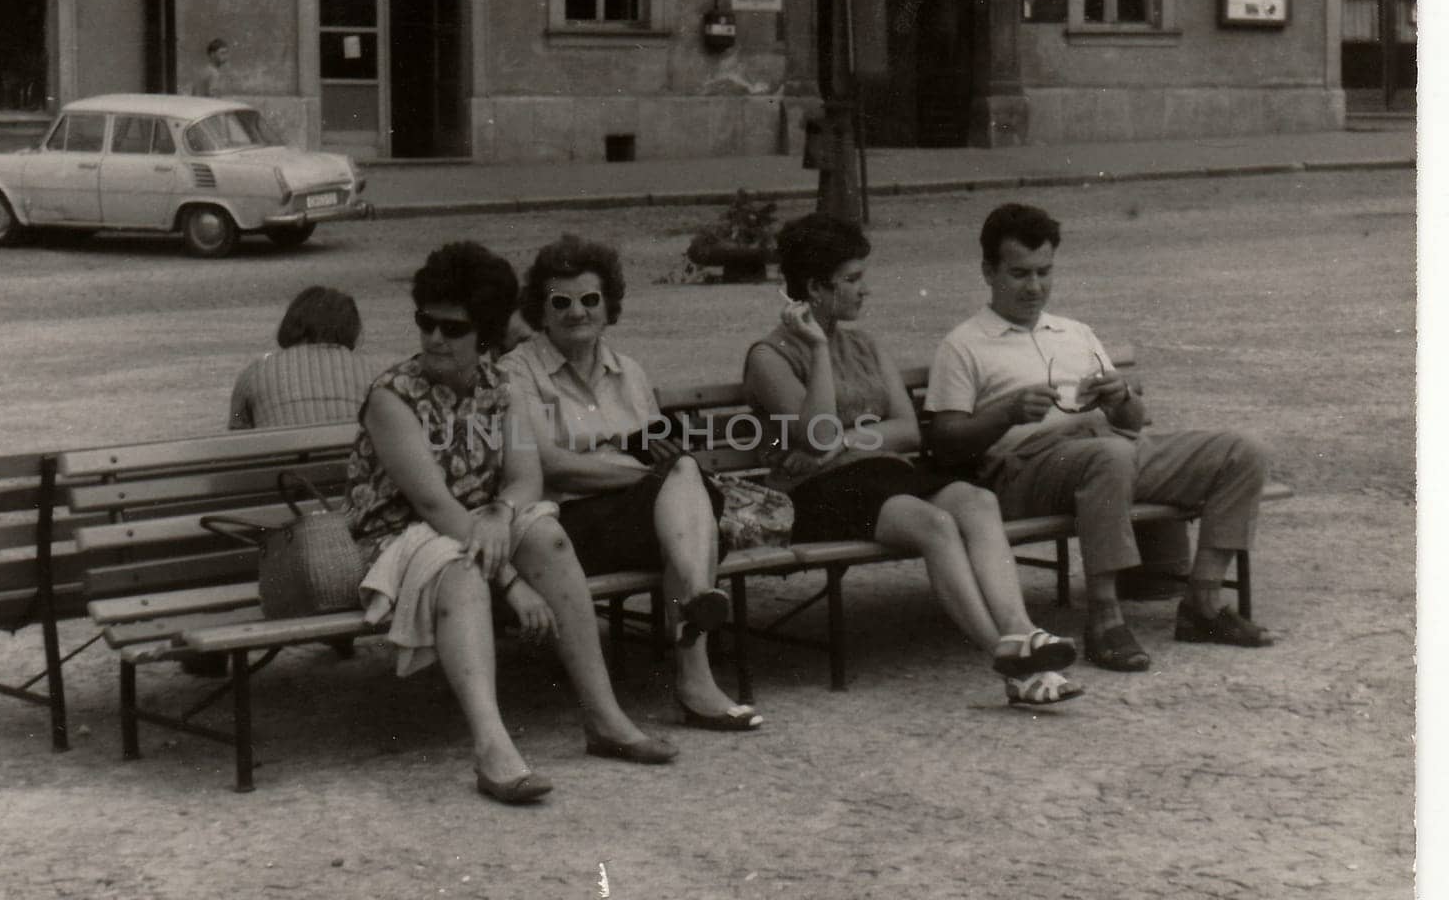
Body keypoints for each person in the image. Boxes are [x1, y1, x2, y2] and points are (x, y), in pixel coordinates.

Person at [344, 241, 676, 805]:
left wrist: (501, 512)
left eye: (453, 329)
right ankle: (493, 749)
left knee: (545, 534)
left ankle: (604, 717)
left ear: (486, 336)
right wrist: (511, 581)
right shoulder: (391, 397)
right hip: (402, 537)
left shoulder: (501, 388)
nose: (434, 339)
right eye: (426, 322)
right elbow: (431, 506)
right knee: (461, 572)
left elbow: (524, 478)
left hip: (479, 522)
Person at [743, 213, 1082, 707]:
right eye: (853, 280)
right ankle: (1006, 659)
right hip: (813, 494)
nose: (866, 291)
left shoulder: (864, 343)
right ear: (816, 288)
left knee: (976, 500)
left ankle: (1021, 629)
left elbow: (906, 429)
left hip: (875, 474)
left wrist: (845, 441)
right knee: (935, 524)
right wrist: (817, 350)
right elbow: (817, 440)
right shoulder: (769, 357)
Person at [926, 202, 1274, 673]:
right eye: (1019, 274)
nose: (1035, 287)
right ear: (989, 271)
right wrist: (1005, 413)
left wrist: (1120, 395)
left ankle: (1203, 604)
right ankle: (1106, 618)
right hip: (1027, 470)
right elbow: (944, 440)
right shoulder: (964, 344)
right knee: (1108, 455)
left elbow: (1131, 423)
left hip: (1108, 449)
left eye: (1044, 272)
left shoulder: (1074, 332)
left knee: (1242, 451)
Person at [499, 235, 762, 731]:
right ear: (541, 308)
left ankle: (695, 619)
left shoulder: (629, 372)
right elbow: (551, 466)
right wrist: (650, 472)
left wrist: (659, 465)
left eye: (590, 300)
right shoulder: (518, 373)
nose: (577, 311)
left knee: (683, 479)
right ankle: (696, 646)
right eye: (561, 302)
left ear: (608, 305)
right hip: (566, 528)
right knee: (684, 482)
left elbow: (655, 443)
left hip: (639, 519)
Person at [228, 286, 378, 431]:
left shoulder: (255, 373)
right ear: (350, 327)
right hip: (346, 454)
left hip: (283, 455)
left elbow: (237, 430)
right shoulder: (369, 372)